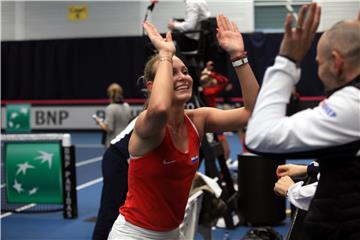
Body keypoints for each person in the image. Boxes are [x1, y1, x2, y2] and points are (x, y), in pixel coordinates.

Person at [108, 14, 259, 240]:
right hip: (133, 234)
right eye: (172, 73)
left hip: (173, 233)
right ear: (152, 85)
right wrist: (166, 54)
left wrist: (238, 56)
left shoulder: (197, 120)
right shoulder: (147, 125)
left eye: (185, 72)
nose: (182, 77)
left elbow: (252, 111)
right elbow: (159, 108)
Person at [245, 3, 360, 239]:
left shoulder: (352, 104)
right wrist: (309, 169)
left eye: (319, 62)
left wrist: (287, 60)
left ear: (336, 62)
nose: (318, 70)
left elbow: (260, 136)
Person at [92, 117, 136, 240]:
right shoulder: (147, 119)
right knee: (109, 210)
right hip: (117, 160)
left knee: (127, 208)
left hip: (125, 162)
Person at [94, 83, 132, 148]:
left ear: (109, 94)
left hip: (114, 143)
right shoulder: (127, 106)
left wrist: (99, 122)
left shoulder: (110, 108)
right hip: (125, 141)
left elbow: (109, 129)